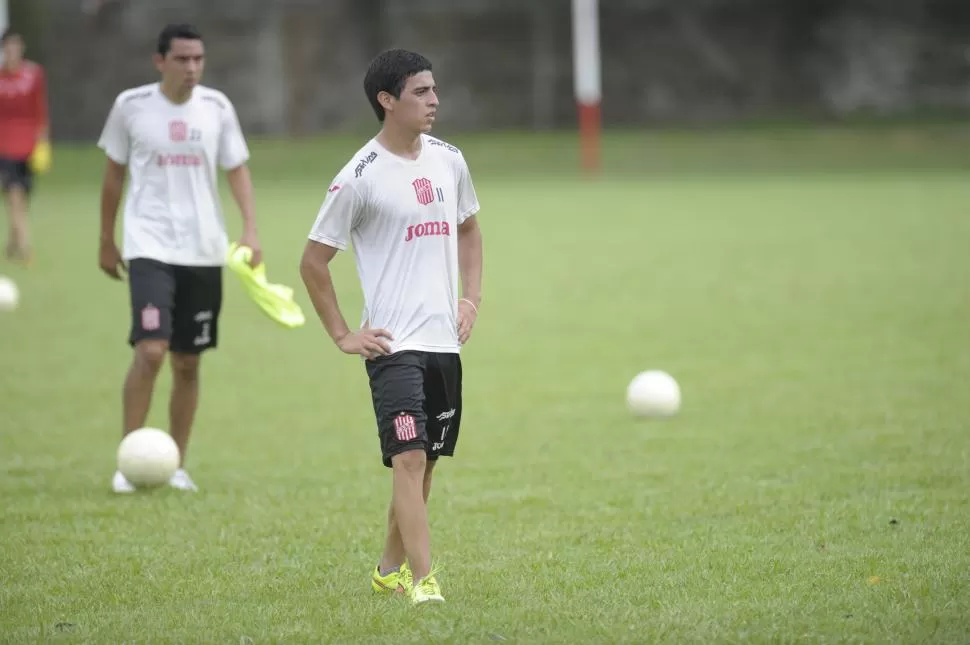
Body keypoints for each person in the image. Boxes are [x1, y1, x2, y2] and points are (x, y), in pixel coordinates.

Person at [300, 49, 484, 605]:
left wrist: (470, 300)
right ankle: (424, 583)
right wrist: (341, 334)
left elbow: (470, 230)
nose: (434, 100)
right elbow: (313, 262)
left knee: (423, 465)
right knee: (407, 458)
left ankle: (387, 568)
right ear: (387, 100)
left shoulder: (450, 159)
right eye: (421, 92)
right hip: (392, 346)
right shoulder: (359, 177)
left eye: (433, 89)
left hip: (442, 342)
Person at [97, 23, 263, 493]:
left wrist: (250, 229)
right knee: (151, 350)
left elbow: (237, 171)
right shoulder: (130, 107)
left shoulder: (217, 108)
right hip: (149, 245)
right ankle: (129, 458)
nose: (192, 68)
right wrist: (106, 240)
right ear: (160, 61)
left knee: (188, 362)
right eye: (182, 59)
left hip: (204, 250)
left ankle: (177, 462)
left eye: (198, 59)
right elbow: (113, 176)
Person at [0, 27, 48, 265]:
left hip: (28, 147)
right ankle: (25, 248)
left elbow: (40, 109)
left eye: (16, 46)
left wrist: (44, 140)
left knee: (22, 199)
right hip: (4, 146)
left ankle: (11, 242)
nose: (12, 51)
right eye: (8, 46)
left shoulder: (34, 74)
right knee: (14, 196)